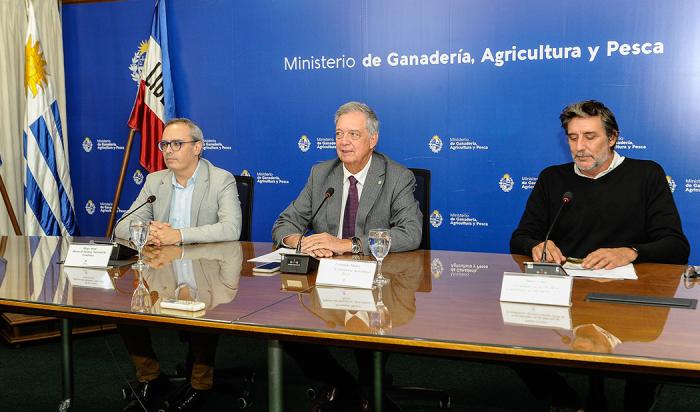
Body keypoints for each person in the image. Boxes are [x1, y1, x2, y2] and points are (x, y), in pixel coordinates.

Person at [510, 100, 689, 411]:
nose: (580, 147)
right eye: (572, 137)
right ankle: (564, 398)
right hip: (567, 294)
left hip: (630, 296)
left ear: (612, 138)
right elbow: (519, 238)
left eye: (590, 136)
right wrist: (536, 246)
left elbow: (676, 245)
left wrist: (630, 252)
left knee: (647, 352)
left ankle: (639, 401)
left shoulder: (646, 174)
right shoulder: (553, 178)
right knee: (510, 339)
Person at [272, 101, 422, 411]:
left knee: (368, 339)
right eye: (339, 133)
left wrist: (348, 244)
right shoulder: (321, 174)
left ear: (373, 139)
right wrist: (305, 241)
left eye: (353, 134)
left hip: (378, 284)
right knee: (286, 331)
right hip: (324, 282)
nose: (343, 142)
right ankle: (347, 387)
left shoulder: (396, 176)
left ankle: (362, 389)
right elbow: (283, 224)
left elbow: (410, 233)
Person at [115, 118, 242, 412]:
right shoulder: (155, 181)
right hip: (163, 271)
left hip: (209, 271)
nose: (168, 151)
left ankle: (201, 384)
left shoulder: (220, 179)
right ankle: (150, 376)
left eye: (177, 144)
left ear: (198, 147)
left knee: (202, 305)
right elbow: (124, 225)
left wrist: (179, 236)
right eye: (164, 145)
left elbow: (230, 228)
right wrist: (149, 232)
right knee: (125, 309)